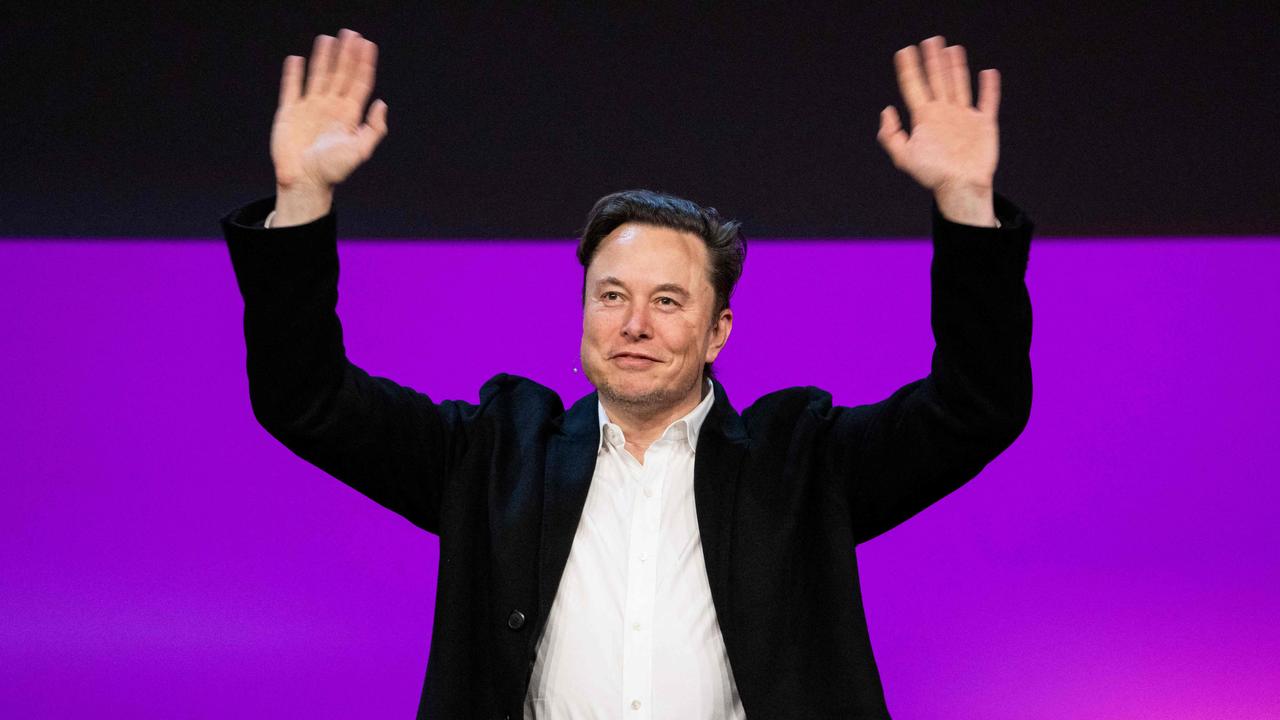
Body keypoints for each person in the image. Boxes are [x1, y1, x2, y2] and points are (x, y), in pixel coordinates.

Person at [221, 28, 1033, 720]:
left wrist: (965, 199)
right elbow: (307, 398)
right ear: (583, 314)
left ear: (718, 331)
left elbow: (976, 406)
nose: (635, 324)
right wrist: (302, 197)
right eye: (611, 295)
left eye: (668, 301)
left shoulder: (802, 465)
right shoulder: (495, 457)